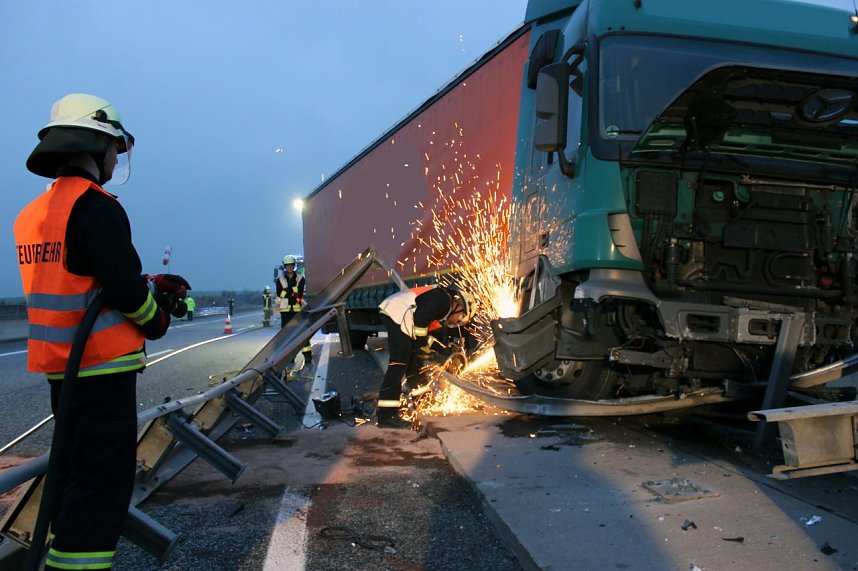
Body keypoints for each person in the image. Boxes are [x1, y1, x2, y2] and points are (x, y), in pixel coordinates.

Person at [13, 93, 191, 570]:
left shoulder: (32, 216)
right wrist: (157, 316)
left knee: (74, 478)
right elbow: (125, 291)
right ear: (96, 147)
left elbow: (82, 277)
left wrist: (142, 282)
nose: (116, 159)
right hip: (102, 369)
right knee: (101, 490)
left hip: (63, 372)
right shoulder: (97, 207)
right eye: (114, 148)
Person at [376, 284, 476, 428]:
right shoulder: (443, 299)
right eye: (459, 318)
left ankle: (422, 400)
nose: (455, 322)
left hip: (400, 313)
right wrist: (422, 346)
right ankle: (386, 415)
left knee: (415, 362)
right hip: (396, 311)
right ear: (459, 306)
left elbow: (426, 334)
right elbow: (420, 321)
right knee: (399, 363)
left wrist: (442, 351)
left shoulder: (440, 311)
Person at [276, 255, 312, 365]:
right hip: (285, 312)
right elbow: (280, 294)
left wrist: (287, 291)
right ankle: (289, 357)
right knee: (286, 336)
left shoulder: (300, 278)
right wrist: (292, 291)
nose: (289, 268)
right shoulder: (279, 280)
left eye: (291, 265)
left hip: (297, 311)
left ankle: (307, 356)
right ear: (285, 267)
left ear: (294, 266)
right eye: (287, 266)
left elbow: (299, 293)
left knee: (301, 333)